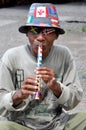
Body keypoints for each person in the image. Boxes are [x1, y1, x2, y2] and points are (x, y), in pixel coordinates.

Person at [0, 3, 85, 130]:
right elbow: (1, 105)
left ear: (56, 35)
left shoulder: (64, 55)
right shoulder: (11, 56)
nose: (40, 37)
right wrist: (19, 95)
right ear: (27, 34)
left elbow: (73, 101)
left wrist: (57, 88)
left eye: (48, 32)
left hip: (58, 124)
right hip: (20, 125)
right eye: (34, 31)